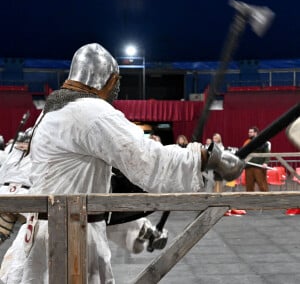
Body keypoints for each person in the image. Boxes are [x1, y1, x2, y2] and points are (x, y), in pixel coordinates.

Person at [0, 43, 244, 283]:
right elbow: (148, 160)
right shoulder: (91, 111)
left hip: (48, 231)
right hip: (70, 241)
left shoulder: (51, 111)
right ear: (108, 80)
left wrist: (139, 231)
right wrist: (206, 157)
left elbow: (92, 193)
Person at [243, 126, 270, 192]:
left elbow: (267, 154)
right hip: (248, 167)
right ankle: (250, 201)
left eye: (251, 132)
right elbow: (243, 153)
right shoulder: (247, 142)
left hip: (259, 167)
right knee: (249, 187)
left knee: (262, 186)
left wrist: (266, 163)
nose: (249, 133)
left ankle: (266, 200)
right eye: (249, 132)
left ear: (256, 133)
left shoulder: (263, 142)